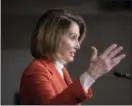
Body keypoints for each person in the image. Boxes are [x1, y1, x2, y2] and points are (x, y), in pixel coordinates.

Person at [20, 9, 126, 105]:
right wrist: (92, 74)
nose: (78, 46)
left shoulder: (60, 69)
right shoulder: (37, 70)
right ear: (53, 37)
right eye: (73, 37)